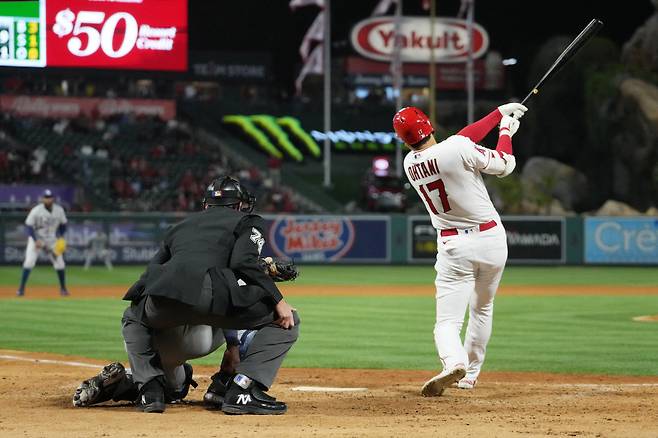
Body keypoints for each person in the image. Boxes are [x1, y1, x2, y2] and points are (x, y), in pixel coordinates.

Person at [75, 176, 299, 415]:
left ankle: (148, 389)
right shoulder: (248, 221)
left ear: (206, 205)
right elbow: (243, 262)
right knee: (288, 320)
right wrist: (278, 299)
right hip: (213, 302)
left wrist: (141, 307)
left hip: (165, 302)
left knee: (132, 317)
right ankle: (242, 388)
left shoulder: (180, 226)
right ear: (239, 205)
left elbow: (150, 273)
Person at [392, 103, 527, 396]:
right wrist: (505, 130)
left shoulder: (409, 163)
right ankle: (471, 374)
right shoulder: (456, 147)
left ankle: (454, 363)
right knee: (483, 308)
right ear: (429, 124)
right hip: (491, 240)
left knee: (448, 321)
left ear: (405, 139)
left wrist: (497, 114)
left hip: (454, 246)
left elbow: (461, 141)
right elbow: (506, 164)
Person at [17, 189, 69, 296]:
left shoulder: (59, 210)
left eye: (49, 197)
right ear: (42, 199)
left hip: (52, 240)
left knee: (60, 264)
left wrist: (61, 238)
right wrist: (36, 240)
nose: (48, 199)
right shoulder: (36, 210)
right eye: (46, 197)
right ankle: (21, 289)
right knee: (29, 262)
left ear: (53, 198)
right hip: (37, 238)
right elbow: (28, 226)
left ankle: (63, 289)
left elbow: (64, 225)